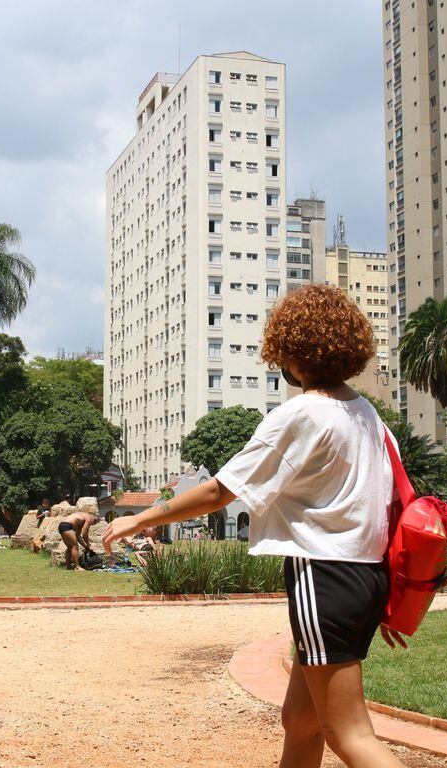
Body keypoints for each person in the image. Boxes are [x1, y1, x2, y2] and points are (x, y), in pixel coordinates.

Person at [104, 284, 407, 768]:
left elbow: (220, 492)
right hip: (364, 574)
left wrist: (141, 516)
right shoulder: (367, 413)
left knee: (349, 734)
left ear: (291, 348)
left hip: (324, 575)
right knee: (301, 720)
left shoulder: (303, 412)